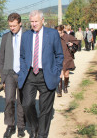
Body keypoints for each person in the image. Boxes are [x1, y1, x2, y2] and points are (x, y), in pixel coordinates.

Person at [18, 10, 64, 138]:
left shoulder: (53, 34)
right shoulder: (26, 35)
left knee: (45, 109)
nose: (33, 24)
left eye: (36, 21)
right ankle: (34, 127)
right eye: (31, 21)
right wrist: (23, 70)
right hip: (30, 75)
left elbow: (59, 55)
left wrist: (56, 71)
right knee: (27, 104)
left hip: (47, 74)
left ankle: (42, 135)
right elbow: (22, 56)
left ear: (42, 20)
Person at [0, 13, 25, 138]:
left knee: (21, 101)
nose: (12, 28)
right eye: (10, 26)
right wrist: (3, 77)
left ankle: (21, 126)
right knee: (9, 100)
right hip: (9, 74)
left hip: (23, 74)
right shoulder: (5, 37)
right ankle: (10, 125)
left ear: (20, 23)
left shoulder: (27, 36)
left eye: (14, 26)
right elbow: (2, 58)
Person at [55, 25, 79, 97]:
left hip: (67, 57)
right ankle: (59, 91)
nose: (57, 34)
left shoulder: (68, 37)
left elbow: (76, 41)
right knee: (60, 74)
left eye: (59, 32)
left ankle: (65, 87)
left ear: (62, 31)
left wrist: (72, 43)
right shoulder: (55, 37)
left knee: (66, 74)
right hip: (59, 58)